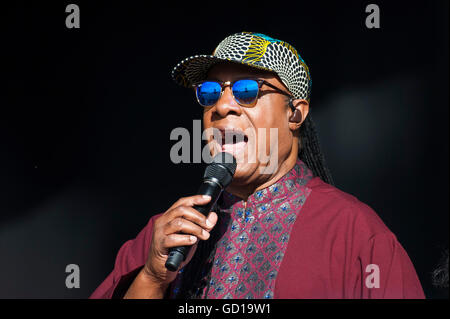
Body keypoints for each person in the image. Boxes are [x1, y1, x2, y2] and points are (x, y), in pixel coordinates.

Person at [90, 32, 425, 299]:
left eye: (246, 90)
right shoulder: (164, 234)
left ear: (295, 113)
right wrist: (152, 277)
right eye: (208, 93)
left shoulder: (356, 234)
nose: (222, 106)